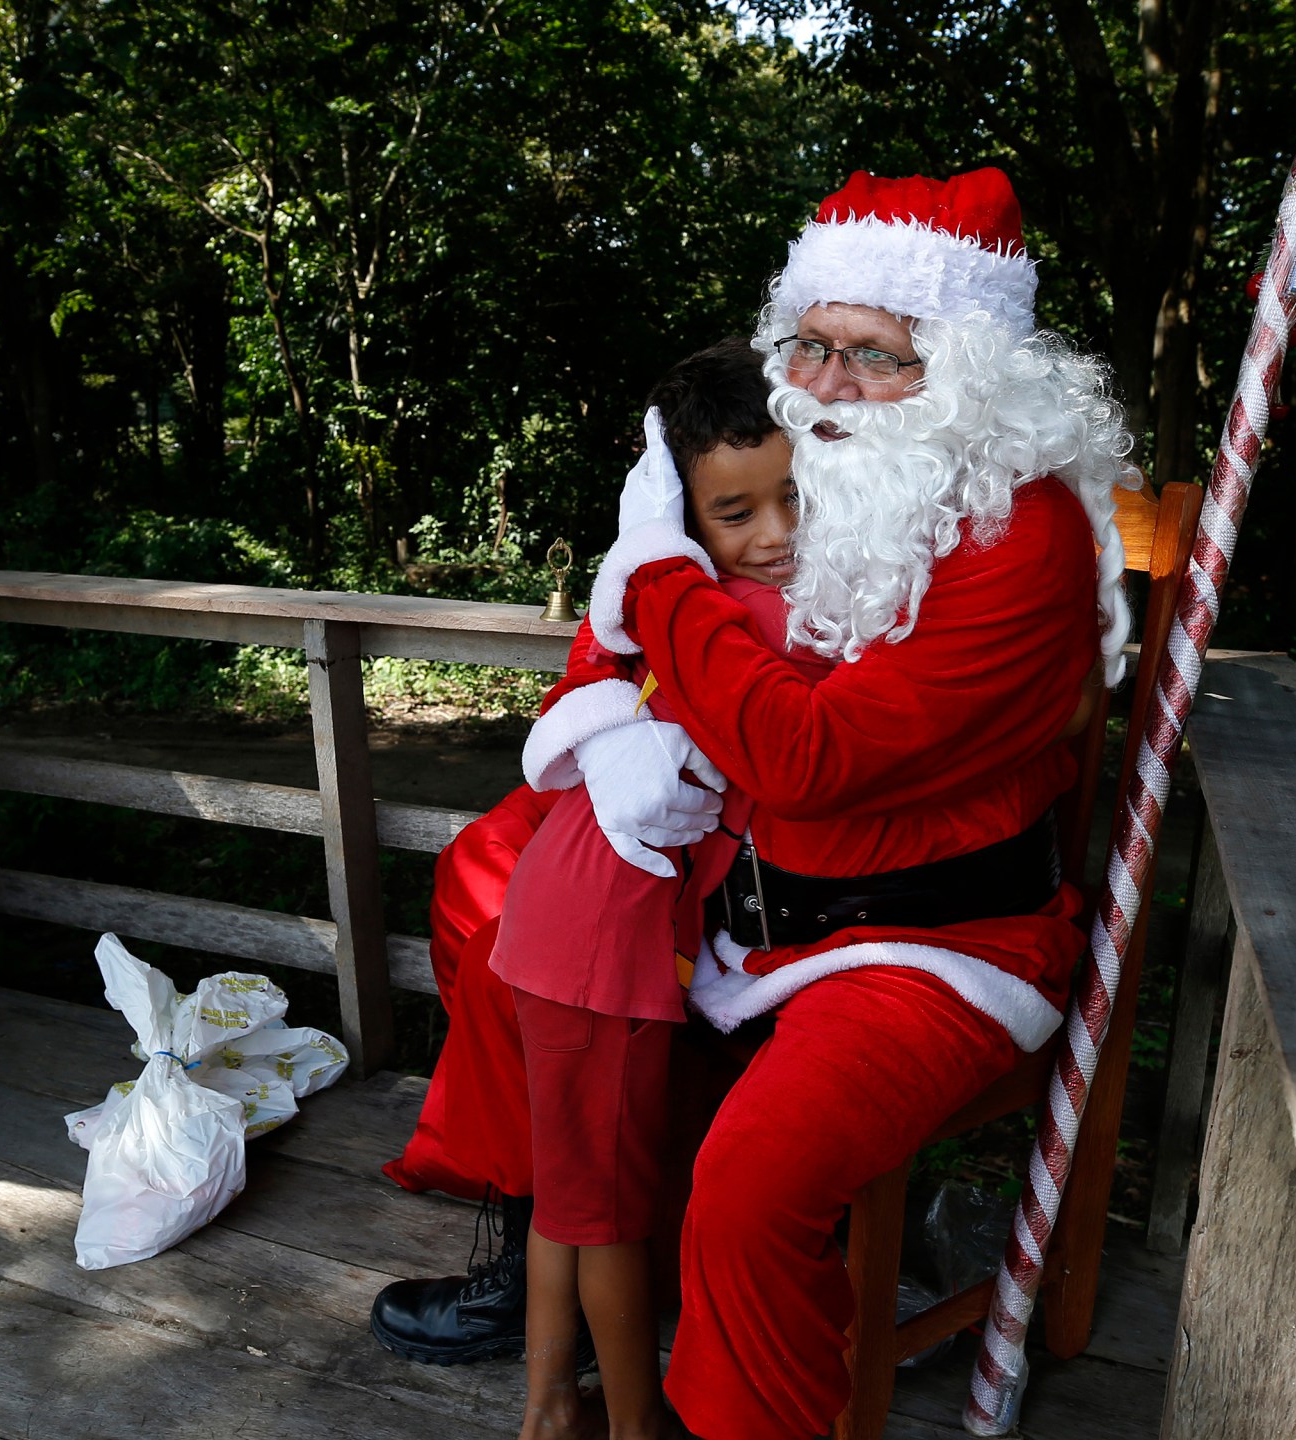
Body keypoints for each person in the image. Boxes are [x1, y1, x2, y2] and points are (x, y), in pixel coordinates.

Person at [374, 167, 1137, 1440]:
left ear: (967, 373)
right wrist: (604, 722)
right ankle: (564, 1229)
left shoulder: (1022, 534)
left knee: (753, 1177)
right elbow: (610, 647)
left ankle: (727, 1404)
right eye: (812, 346)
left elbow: (807, 756)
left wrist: (661, 575)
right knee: (491, 882)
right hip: (739, 882)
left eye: (878, 356)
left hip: (924, 941)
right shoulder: (803, 460)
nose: (829, 384)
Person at [489, 339, 829, 1440]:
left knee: (570, 1200)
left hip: (557, 925)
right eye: (738, 514)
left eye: (795, 497)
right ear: (683, 522)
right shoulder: (743, 619)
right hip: (606, 952)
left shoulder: (664, 611)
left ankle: (549, 1407)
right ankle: (629, 1427)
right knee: (613, 1221)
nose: (776, 537)